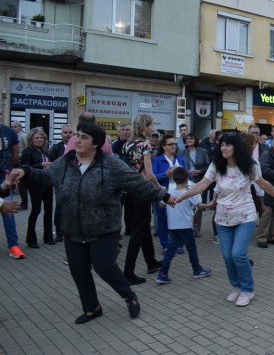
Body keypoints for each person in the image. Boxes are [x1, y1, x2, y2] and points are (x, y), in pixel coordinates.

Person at [10, 122, 174, 323]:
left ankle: (129, 296)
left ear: (96, 143)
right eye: (77, 136)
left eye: (84, 137)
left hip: (104, 230)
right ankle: (92, 307)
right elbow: (45, 176)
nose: (78, 140)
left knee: (104, 267)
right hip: (73, 229)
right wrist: (25, 172)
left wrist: (164, 196)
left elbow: (137, 183)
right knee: (79, 271)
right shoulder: (66, 161)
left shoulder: (110, 164)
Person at [174, 132, 274, 306]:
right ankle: (236, 286)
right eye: (221, 145)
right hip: (223, 218)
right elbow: (202, 184)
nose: (223, 148)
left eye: (227, 145)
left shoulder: (251, 165)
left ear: (236, 147)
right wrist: (182, 196)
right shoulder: (217, 165)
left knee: (238, 254)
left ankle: (247, 289)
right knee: (227, 256)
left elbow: (262, 183)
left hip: (245, 216)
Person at [122, 114, 163, 285]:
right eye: (152, 125)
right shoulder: (145, 145)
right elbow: (149, 173)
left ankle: (151, 262)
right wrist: (160, 187)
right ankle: (128, 272)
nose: (153, 128)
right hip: (142, 191)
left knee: (144, 227)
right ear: (145, 126)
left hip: (129, 191)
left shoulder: (127, 144)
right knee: (138, 232)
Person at [156, 167, 212, 284]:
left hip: (172, 227)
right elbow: (200, 205)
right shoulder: (188, 193)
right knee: (192, 249)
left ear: (173, 180)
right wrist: (210, 204)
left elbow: (161, 205)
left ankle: (162, 274)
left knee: (170, 251)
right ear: (187, 180)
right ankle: (197, 270)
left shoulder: (169, 193)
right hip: (185, 227)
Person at [152, 134, 188, 254]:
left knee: (179, 218)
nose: (173, 146)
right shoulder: (157, 159)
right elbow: (152, 177)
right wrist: (165, 174)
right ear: (163, 146)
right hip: (163, 193)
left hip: (179, 193)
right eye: (170, 144)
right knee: (163, 219)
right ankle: (165, 245)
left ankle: (179, 244)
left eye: (174, 144)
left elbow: (186, 173)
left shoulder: (180, 158)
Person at [20, 127, 54, 248]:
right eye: (37, 138)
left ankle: (48, 237)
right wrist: (40, 165)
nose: (39, 140)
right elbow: (24, 167)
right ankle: (31, 239)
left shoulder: (45, 151)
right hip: (35, 185)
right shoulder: (27, 152)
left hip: (47, 184)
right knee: (36, 210)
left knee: (49, 210)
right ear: (31, 139)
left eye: (41, 138)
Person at [0, 123, 26, 259]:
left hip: (3, 175)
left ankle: (13, 245)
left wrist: (8, 171)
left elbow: (15, 154)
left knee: (8, 210)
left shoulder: (8, 132)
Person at [256, 136, 274, 248]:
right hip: (268, 189)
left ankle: (272, 237)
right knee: (267, 214)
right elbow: (264, 171)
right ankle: (261, 238)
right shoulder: (266, 155)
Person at [181, 133, 210, 237]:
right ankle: (186, 227)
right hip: (186, 181)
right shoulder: (182, 152)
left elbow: (208, 166)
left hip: (199, 181)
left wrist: (199, 171)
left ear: (196, 140)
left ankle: (197, 228)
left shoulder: (203, 151)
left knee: (198, 205)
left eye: (191, 138)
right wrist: (187, 172)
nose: (189, 140)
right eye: (187, 138)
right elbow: (179, 167)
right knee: (186, 204)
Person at [48, 124, 74, 242]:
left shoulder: (77, 146)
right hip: (60, 182)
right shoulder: (56, 148)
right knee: (60, 207)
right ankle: (59, 233)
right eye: (65, 132)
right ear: (61, 134)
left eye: (70, 132)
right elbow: (51, 164)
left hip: (74, 181)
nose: (68, 135)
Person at [11, 121, 28, 210]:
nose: (13, 128)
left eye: (15, 127)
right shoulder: (13, 135)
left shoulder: (23, 136)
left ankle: (24, 203)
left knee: (21, 183)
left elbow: (27, 147)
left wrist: (21, 155)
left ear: (20, 127)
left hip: (21, 161)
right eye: (12, 127)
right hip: (15, 161)